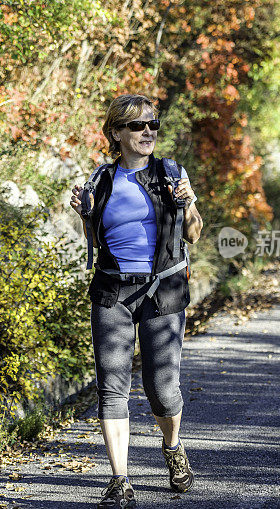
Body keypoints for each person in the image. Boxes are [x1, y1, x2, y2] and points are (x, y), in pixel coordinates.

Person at [69, 94, 203, 508]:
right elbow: (95, 243)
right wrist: (84, 215)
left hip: (163, 290)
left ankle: (172, 447)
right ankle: (119, 479)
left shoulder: (171, 175)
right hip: (113, 292)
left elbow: (193, 234)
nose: (148, 132)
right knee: (112, 388)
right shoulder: (100, 181)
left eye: (153, 125)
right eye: (138, 126)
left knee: (162, 391)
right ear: (117, 133)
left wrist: (187, 203)